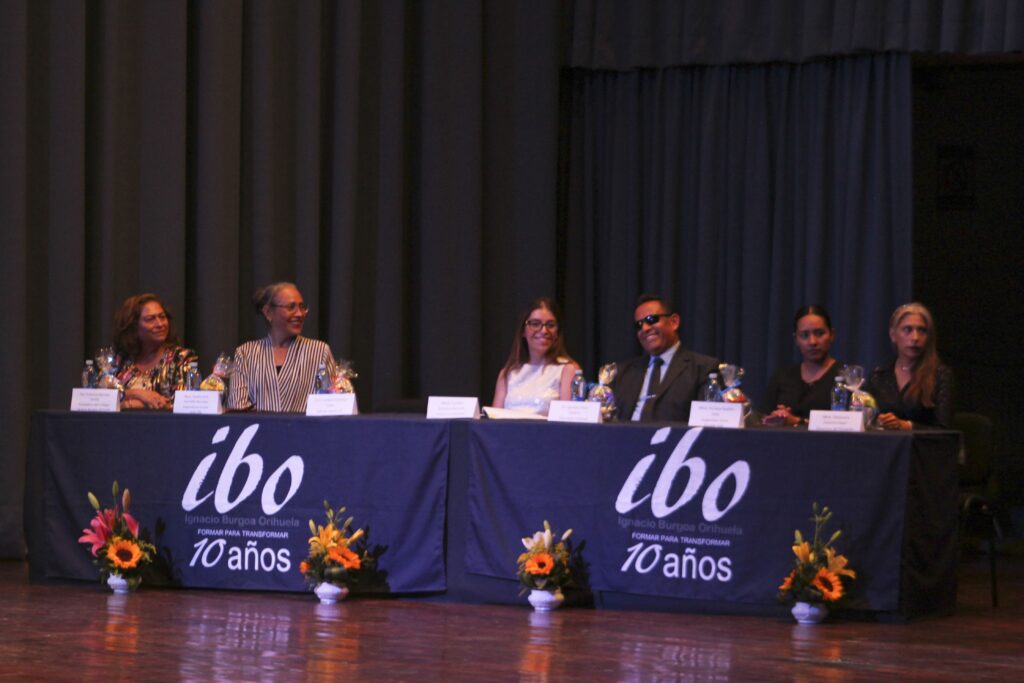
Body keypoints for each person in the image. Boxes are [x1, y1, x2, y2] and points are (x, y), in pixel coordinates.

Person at [227, 282, 335, 413]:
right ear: (268, 312)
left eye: (302, 307)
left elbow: (330, 406)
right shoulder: (246, 353)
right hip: (259, 432)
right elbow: (238, 407)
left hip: (305, 432)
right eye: (291, 307)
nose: (299, 314)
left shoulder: (319, 351)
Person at [610, 294, 719, 422]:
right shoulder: (622, 371)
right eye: (639, 325)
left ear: (674, 322)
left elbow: (706, 424)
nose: (645, 328)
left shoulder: (703, 368)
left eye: (651, 319)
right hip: (624, 439)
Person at [865, 302, 953, 430]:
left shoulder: (941, 375)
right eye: (907, 330)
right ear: (893, 335)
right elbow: (867, 423)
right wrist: (878, 421)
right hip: (886, 447)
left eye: (922, 330)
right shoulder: (878, 377)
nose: (915, 337)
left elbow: (945, 431)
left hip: (923, 448)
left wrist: (907, 426)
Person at [491, 297, 581, 416]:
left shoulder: (568, 370)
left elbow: (570, 422)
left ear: (557, 332)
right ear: (523, 330)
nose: (544, 330)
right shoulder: (507, 373)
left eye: (550, 325)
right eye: (535, 324)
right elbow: (493, 421)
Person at [112, 293, 197, 410]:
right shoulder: (120, 359)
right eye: (150, 319)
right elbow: (102, 398)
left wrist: (130, 404)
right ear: (133, 326)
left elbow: (181, 405)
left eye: (162, 317)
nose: (160, 324)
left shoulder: (180, 358)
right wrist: (137, 393)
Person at [762, 305, 843, 426]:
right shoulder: (782, 377)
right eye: (804, 335)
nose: (812, 342)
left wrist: (797, 421)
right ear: (796, 339)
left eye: (819, 333)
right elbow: (763, 418)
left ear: (832, 335)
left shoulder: (847, 378)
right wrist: (777, 417)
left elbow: (850, 425)